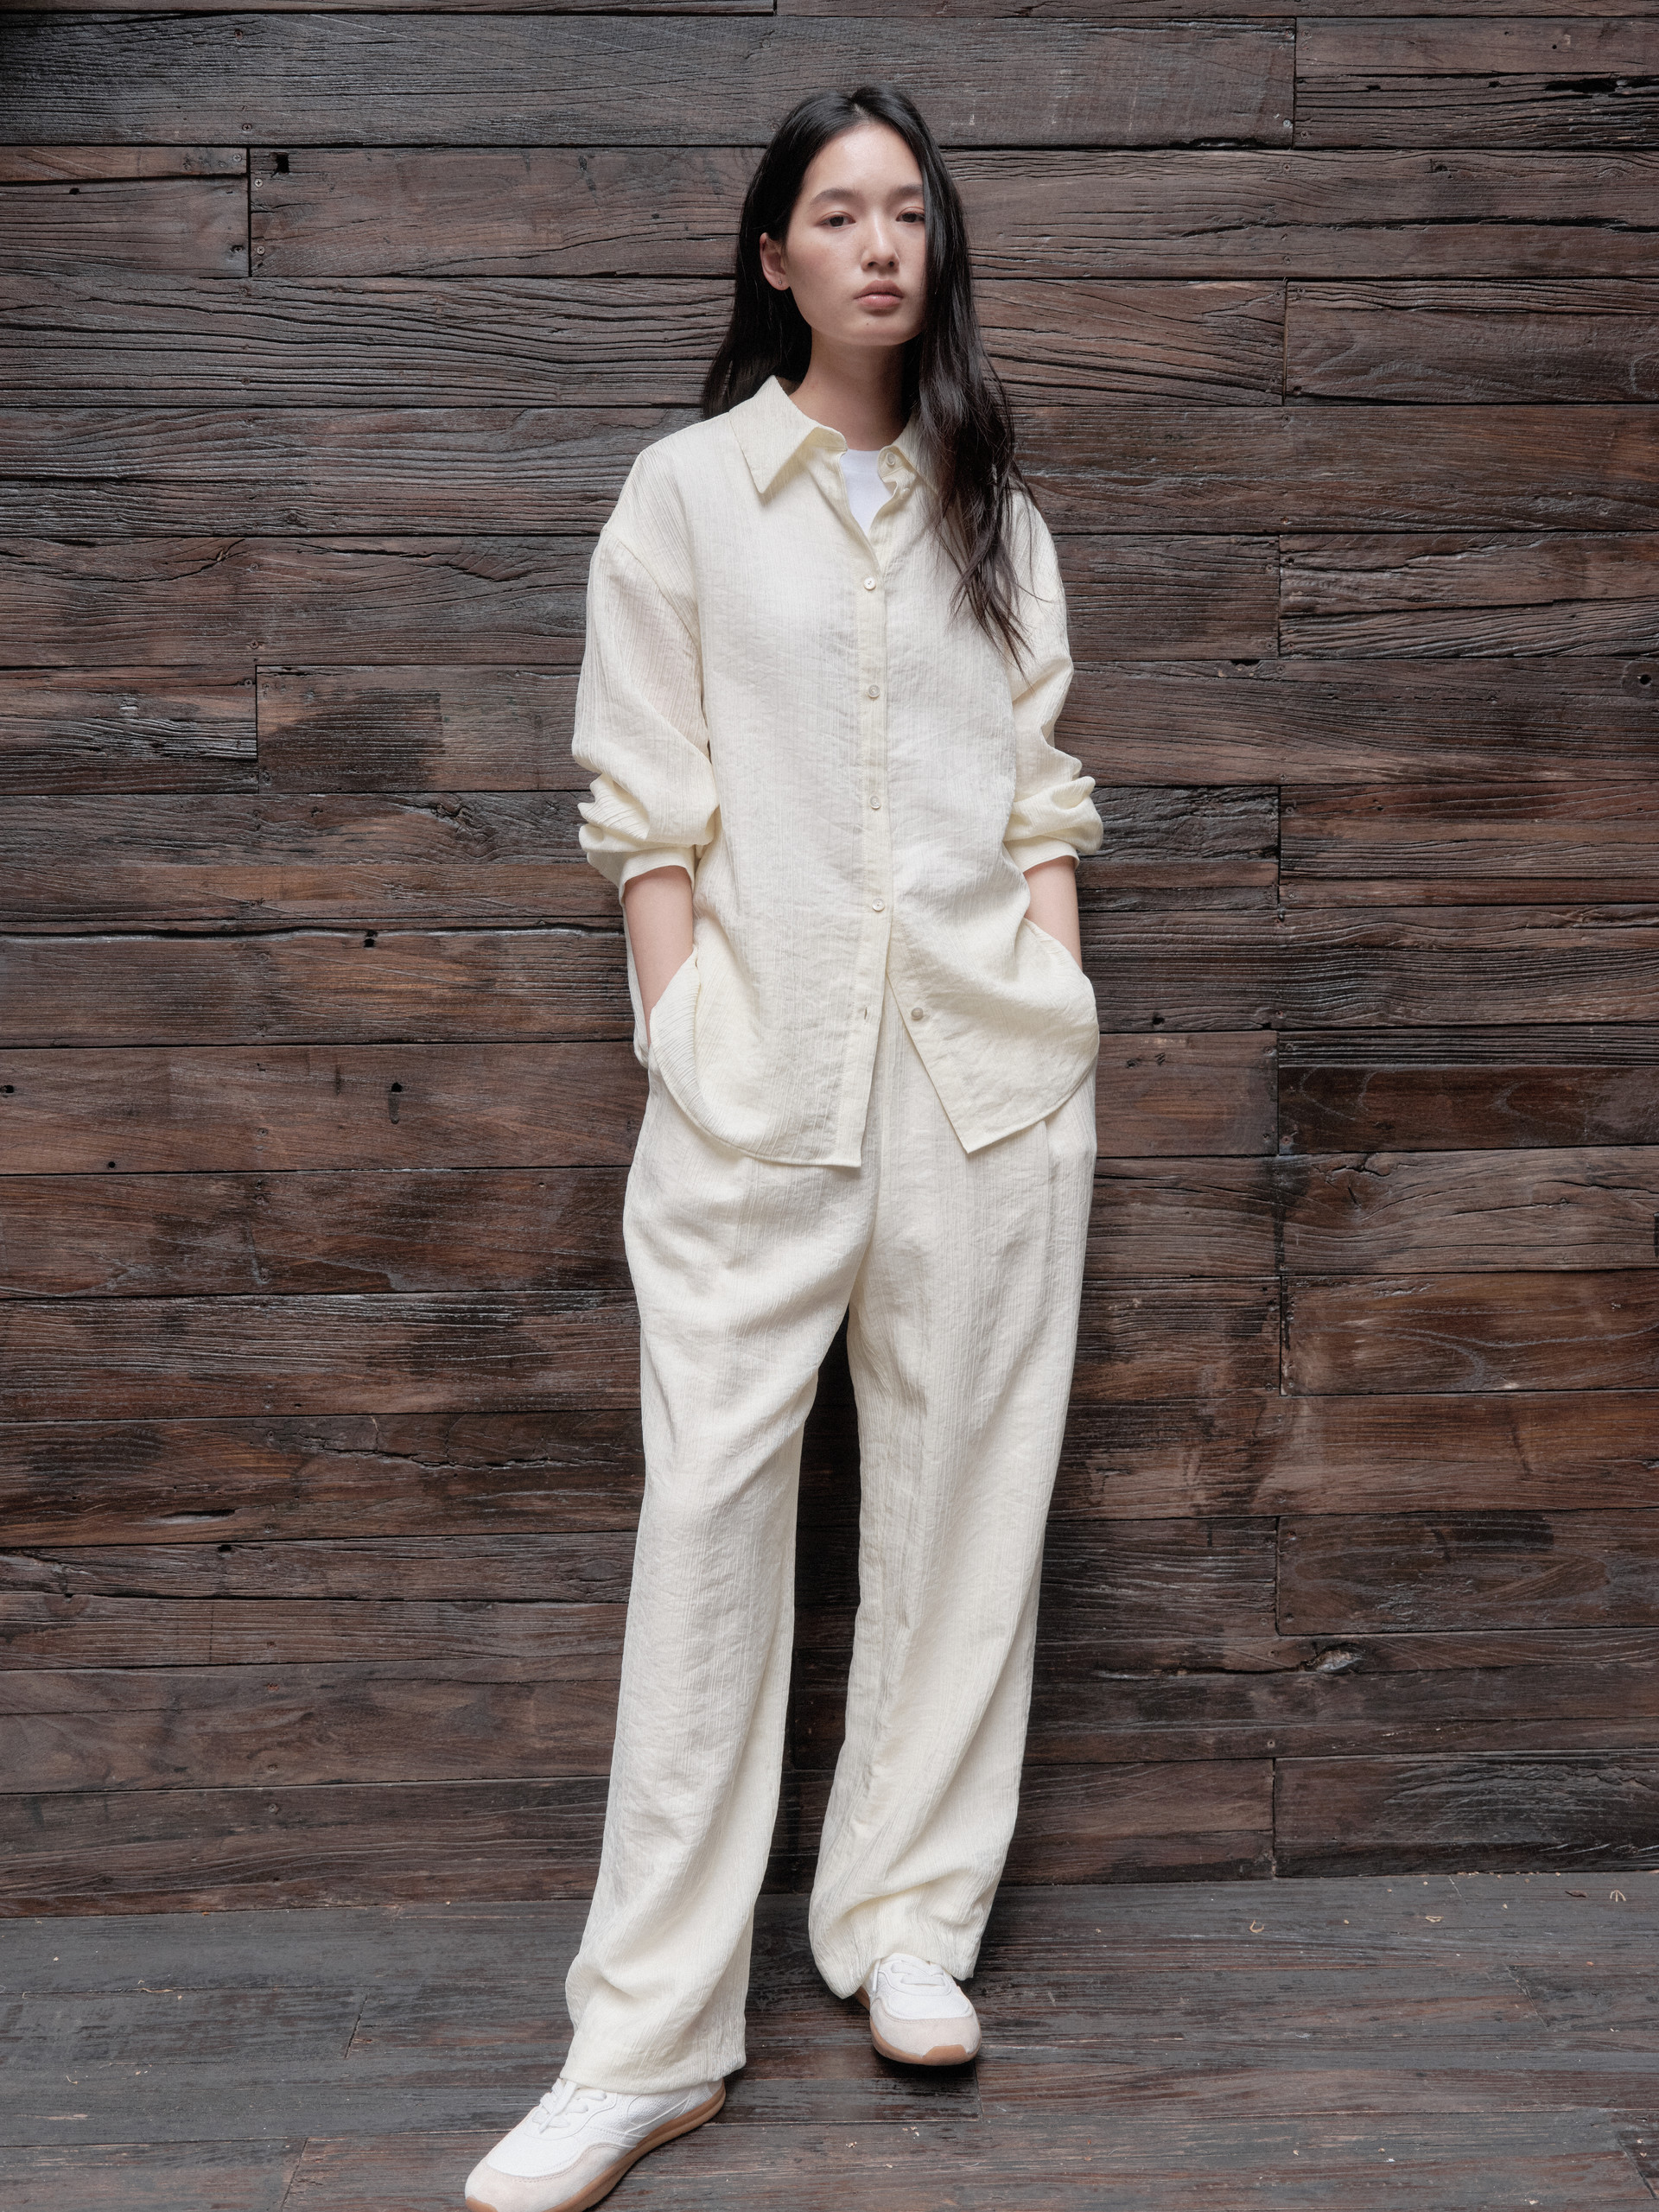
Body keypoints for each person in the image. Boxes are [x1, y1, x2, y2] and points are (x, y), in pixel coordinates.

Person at [463, 81, 1103, 2212]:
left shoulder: (997, 515)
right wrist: (680, 1028)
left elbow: (1039, 791)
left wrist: (1056, 996)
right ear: (773, 256)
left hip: (987, 1082)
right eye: (838, 213)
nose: (881, 244)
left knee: (964, 1505)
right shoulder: (685, 497)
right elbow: (644, 797)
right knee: (712, 1526)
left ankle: (907, 1917)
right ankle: (644, 2042)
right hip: (758, 1082)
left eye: (910, 209)